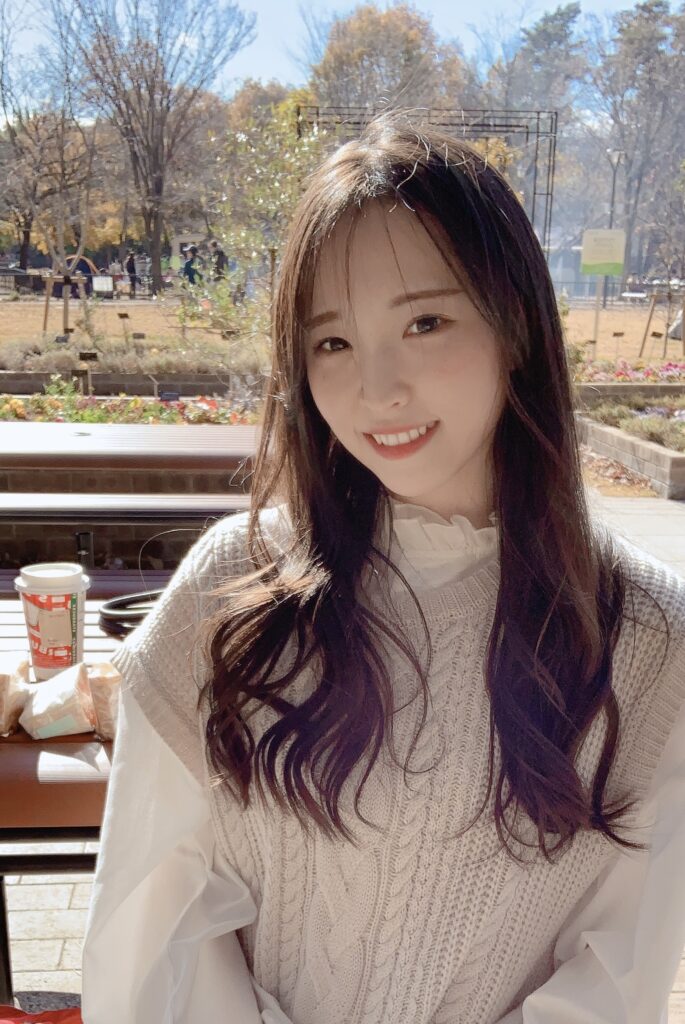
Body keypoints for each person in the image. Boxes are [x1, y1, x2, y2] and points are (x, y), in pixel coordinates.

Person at [81, 112, 685, 1023]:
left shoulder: (645, 637)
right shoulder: (232, 585)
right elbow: (151, 924)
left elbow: (616, 971)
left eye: (425, 321)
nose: (376, 390)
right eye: (331, 342)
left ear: (516, 325)